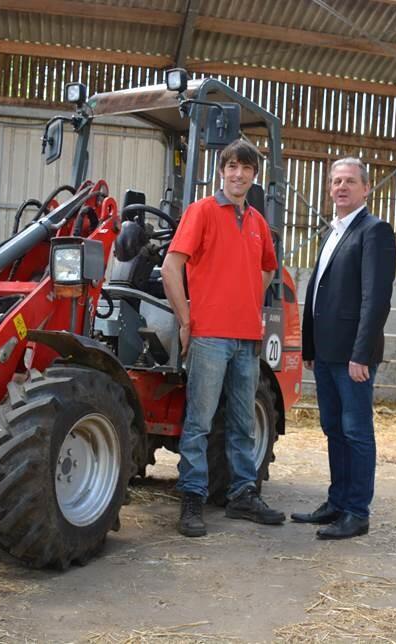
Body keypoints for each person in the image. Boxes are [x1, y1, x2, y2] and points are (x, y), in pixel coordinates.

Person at [161, 139, 286, 538]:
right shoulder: (201, 212)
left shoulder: (257, 224)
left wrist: (246, 299)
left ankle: (242, 495)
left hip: (247, 338)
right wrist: (186, 320)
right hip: (209, 337)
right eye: (232, 166)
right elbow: (170, 267)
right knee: (198, 423)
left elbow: (267, 269)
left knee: (241, 423)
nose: (238, 174)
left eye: (246, 168)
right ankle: (193, 496)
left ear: (253, 175)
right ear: (222, 171)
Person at [292, 157, 396, 540]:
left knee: (355, 431)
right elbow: (319, 291)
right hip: (326, 353)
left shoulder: (374, 231)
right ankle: (337, 501)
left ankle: (356, 511)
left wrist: (362, 354)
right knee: (333, 428)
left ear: (366, 189)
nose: (341, 187)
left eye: (350, 181)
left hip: (352, 357)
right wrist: (310, 346)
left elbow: (376, 298)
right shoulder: (333, 231)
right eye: (336, 181)